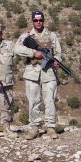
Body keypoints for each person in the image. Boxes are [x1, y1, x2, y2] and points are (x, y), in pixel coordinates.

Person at [14, 10, 62, 140]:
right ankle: (34, 128)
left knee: (50, 100)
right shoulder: (26, 36)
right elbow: (17, 49)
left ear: (44, 20)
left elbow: (58, 52)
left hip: (49, 72)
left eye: (41, 20)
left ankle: (50, 127)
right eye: (36, 20)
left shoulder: (51, 35)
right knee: (33, 101)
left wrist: (57, 61)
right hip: (32, 72)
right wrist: (33, 53)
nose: (38, 22)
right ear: (32, 21)